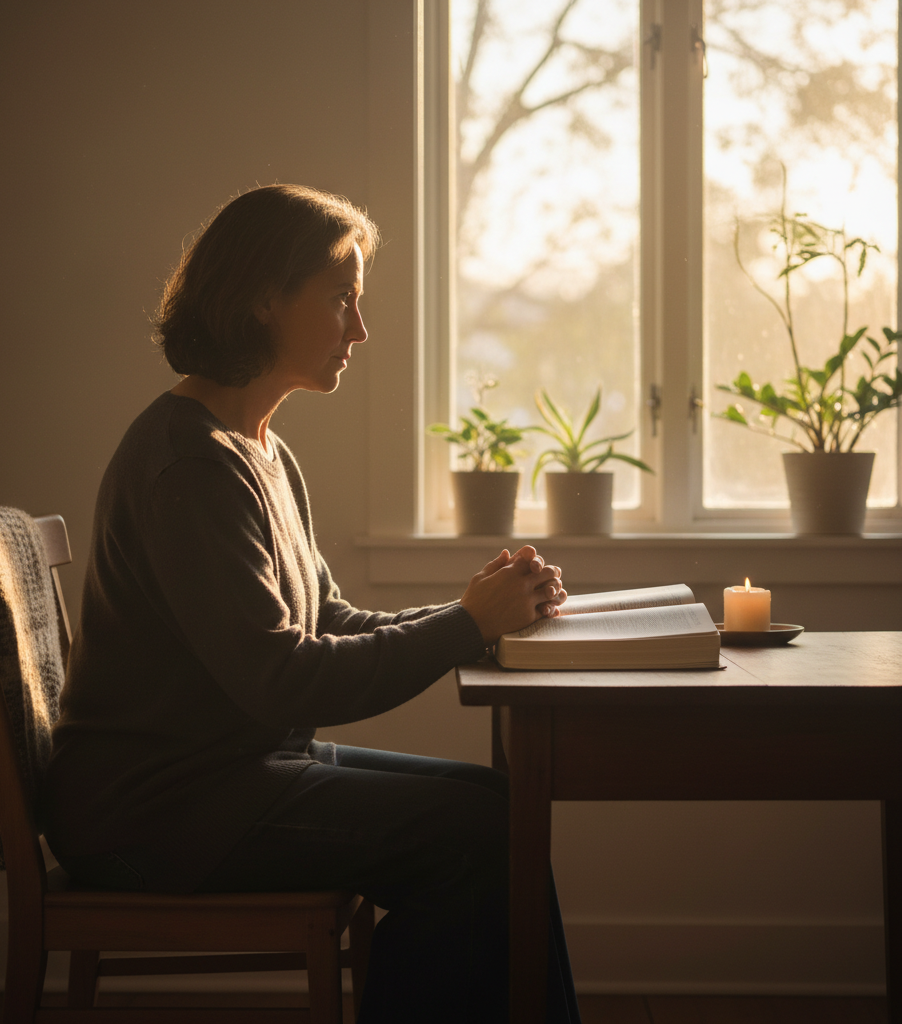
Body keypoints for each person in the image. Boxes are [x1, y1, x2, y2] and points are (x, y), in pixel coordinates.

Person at [44, 184, 580, 1023]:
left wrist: (480, 611)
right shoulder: (189, 466)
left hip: (230, 778)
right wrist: (468, 623)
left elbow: (328, 623)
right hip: (156, 813)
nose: (359, 330)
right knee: (478, 838)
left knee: (496, 810)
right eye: (342, 299)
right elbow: (287, 683)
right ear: (263, 296)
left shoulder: (260, 451)